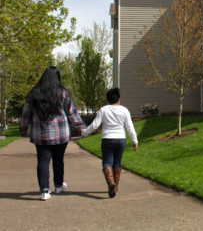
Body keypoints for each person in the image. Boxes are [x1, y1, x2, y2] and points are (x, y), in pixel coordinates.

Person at [19, 66, 86, 201]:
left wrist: (23, 129)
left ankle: (44, 190)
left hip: (40, 135)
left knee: (43, 161)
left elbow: (25, 114)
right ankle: (58, 186)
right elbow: (72, 114)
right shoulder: (63, 93)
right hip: (60, 134)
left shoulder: (34, 93)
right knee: (58, 160)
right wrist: (82, 128)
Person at [81, 87, 138, 198]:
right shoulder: (124, 110)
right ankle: (115, 186)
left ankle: (110, 182)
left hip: (107, 139)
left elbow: (95, 125)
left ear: (107, 99)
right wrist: (134, 140)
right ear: (118, 99)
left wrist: (84, 133)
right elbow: (130, 127)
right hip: (120, 139)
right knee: (117, 162)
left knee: (107, 162)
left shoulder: (103, 110)